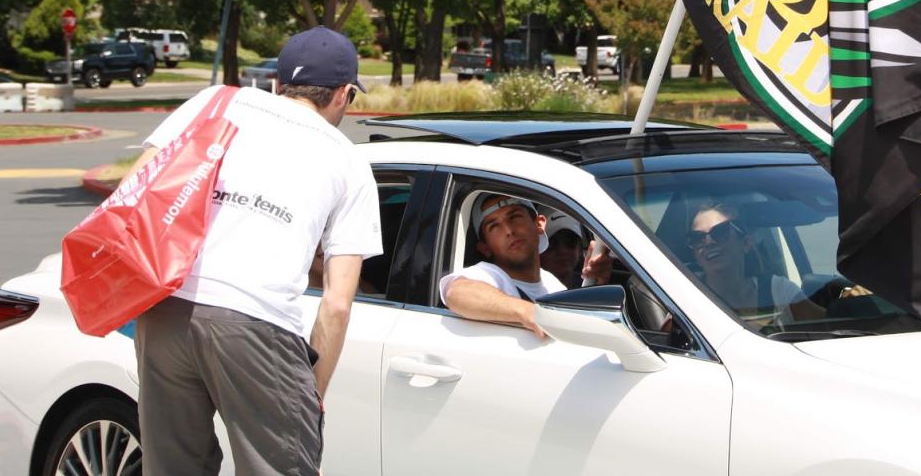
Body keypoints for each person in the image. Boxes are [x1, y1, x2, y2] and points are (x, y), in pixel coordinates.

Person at [130, 27, 382, 476]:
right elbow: (338, 305)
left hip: (165, 311)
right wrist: (313, 393)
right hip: (256, 324)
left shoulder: (214, 103)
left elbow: (135, 189)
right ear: (344, 94)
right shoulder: (349, 162)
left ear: (277, 83)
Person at [440, 193, 610, 337]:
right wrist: (531, 313)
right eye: (494, 226)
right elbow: (456, 292)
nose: (508, 230)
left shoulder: (551, 283)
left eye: (514, 217)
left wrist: (597, 284)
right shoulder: (489, 274)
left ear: (539, 224)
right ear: (485, 248)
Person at [686, 200, 822, 331]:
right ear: (695, 256)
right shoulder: (685, 299)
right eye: (697, 238)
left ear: (745, 243)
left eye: (720, 232)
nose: (708, 242)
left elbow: (827, 328)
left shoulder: (779, 292)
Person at [539, 210, 587, 288]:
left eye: (570, 241)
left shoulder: (589, 286)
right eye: (551, 244)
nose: (562, 251)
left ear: (580, 250)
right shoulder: (527, 294)